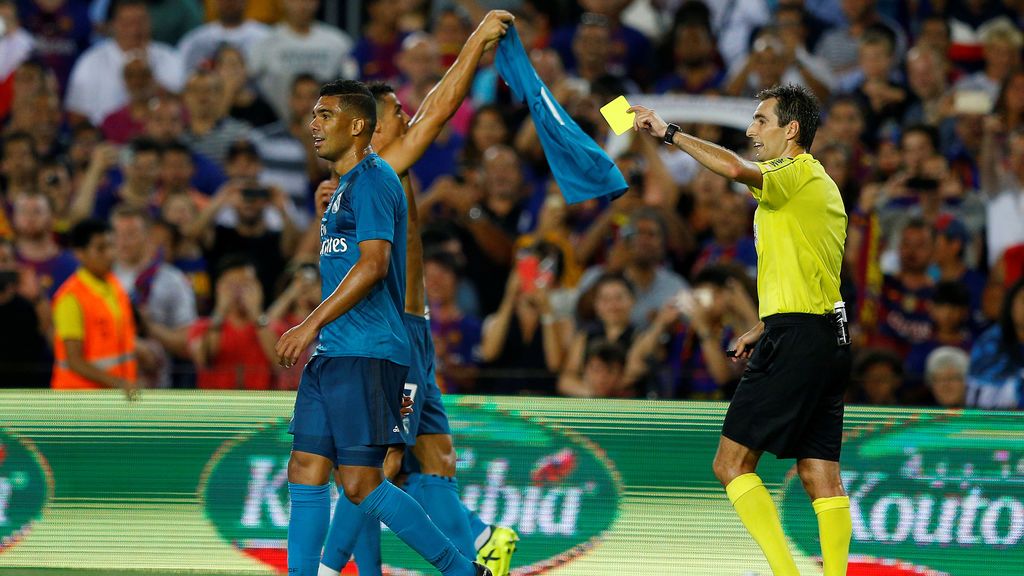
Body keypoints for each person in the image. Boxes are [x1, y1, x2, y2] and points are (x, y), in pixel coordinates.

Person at [316, 12, 518, 576]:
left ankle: (477, 540)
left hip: (414, 336)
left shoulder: (375, 179)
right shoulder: (379, 169)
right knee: (382, 464)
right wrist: (475, 42)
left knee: (430, 464)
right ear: (367, 130)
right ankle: (464, 547)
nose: (408, 113)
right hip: (394, 337)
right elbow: (439, 111)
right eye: (395, 112)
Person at [630, 84, 851, 576]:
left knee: (731, 464)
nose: (751, 130)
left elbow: (731, 169)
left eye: (760, 121)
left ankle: (785, 572)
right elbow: (809, 275)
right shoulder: (817, 185)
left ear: (791, 131)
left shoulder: (792, 171)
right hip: (827, 335)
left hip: (798, 339)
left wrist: (668, 132)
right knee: (820, 475)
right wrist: (763, 324)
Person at [272, 79, 490, 576]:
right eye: (313, 115)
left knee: (363, 483)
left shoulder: (374, 180)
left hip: (369, 352)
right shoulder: (345, 187)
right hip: (333, 351)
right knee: (304, 470)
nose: (313, 124)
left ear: (357, 125)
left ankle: (461, 569)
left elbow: (373, 266)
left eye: (325, 115)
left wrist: (307, 325)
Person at [50, 219, 139, 398]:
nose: (110, 254)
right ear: (80, 253)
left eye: (111, 246)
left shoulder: (114, 286)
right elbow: (74, 360)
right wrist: (119, 384)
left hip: (109, 397)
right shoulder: (70, 298)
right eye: (100, 248)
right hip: (77, 400)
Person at [64, 0, 184, 126]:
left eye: (141, 21)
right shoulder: (90, 63)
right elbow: (76, 115)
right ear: (113, 25)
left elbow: (188, 105)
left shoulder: (171, 59)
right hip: (106, 140)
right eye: (127, 23)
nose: (135, 29)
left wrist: (161, 92)